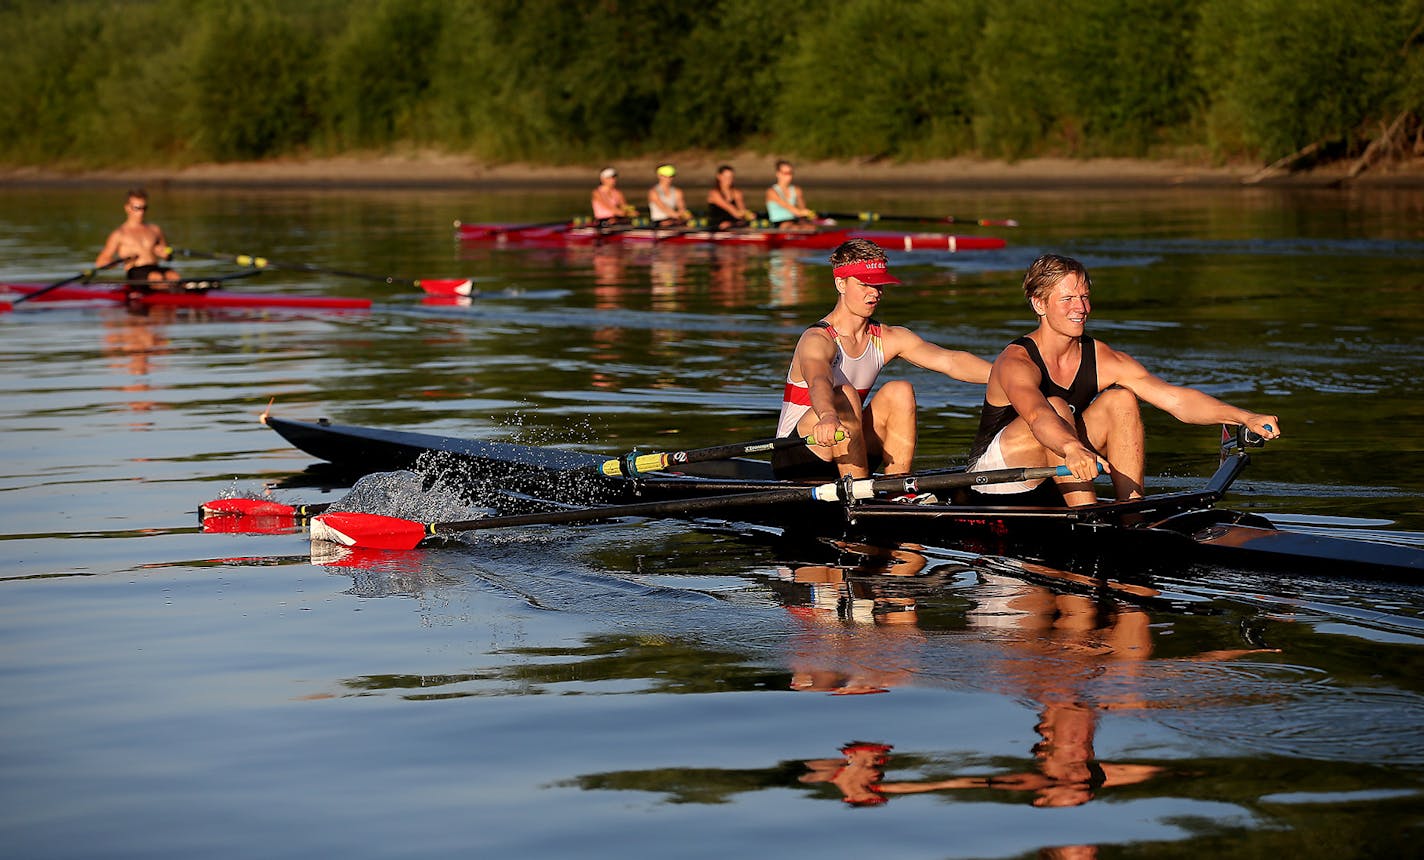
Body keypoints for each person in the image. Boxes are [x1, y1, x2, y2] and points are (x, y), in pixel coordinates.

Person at [967, 253, 1281, 506]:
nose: (1081, 308)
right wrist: (1071, 447)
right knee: (1056, 406)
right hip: (997, 481)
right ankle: (1088, 514)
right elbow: (1037, 415)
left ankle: (1130, 511)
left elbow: (1175, 399)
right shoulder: (1016, 361)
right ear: (1039, 304)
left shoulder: (1103, 357)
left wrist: (1244, 416)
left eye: (1084, 297)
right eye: (1067, 299)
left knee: (1121, 399)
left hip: (1059, 468)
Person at [772, 238, 991, 494]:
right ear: (840, 283)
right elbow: (819, 381)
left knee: (900, 390)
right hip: (800, 453)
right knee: (844, 396)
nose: (874, 292)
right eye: (865, 284)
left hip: (849, 446)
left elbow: (951, 361)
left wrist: (1011, 378)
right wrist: (828, 416)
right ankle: (862, 493)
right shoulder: (817, 339)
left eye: (879, 284)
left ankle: (900, 492)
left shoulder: (886, 337)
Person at [96, 189, 180, 287]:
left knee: (174, 276)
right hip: (135, 272)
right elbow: (101, 261)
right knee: (156, 277)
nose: (141, 212)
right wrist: (120, 261)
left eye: (144, 208)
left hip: (155, 268)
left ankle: (181, 295)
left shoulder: (155, 229)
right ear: (127, 208)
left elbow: (168, 254)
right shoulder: (119, 234)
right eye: (137, 208)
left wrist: (166, 254)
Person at [765, 159, 815, 227]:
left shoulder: (797, 190)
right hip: (778, 223)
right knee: (793, 226)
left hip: (794, 221)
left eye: (791, 173)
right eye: (786, 173)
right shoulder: (771, 192)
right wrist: (802, 212)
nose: (789, 176)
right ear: (778, 174)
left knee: (810, 227)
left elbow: (802, 209)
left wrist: (808, 215)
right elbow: (788, 206)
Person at [706, 164, 754, 229]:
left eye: (731, 177)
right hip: (717, 225)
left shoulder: (737, 193)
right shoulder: (714, 194)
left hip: (733, 224)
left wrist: (748, 215)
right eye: (725, 177)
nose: (728, 180)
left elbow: (742, 209)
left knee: (746, 223)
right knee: (725, 224)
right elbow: (731, 209)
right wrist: (743, 214)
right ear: (718, 176)